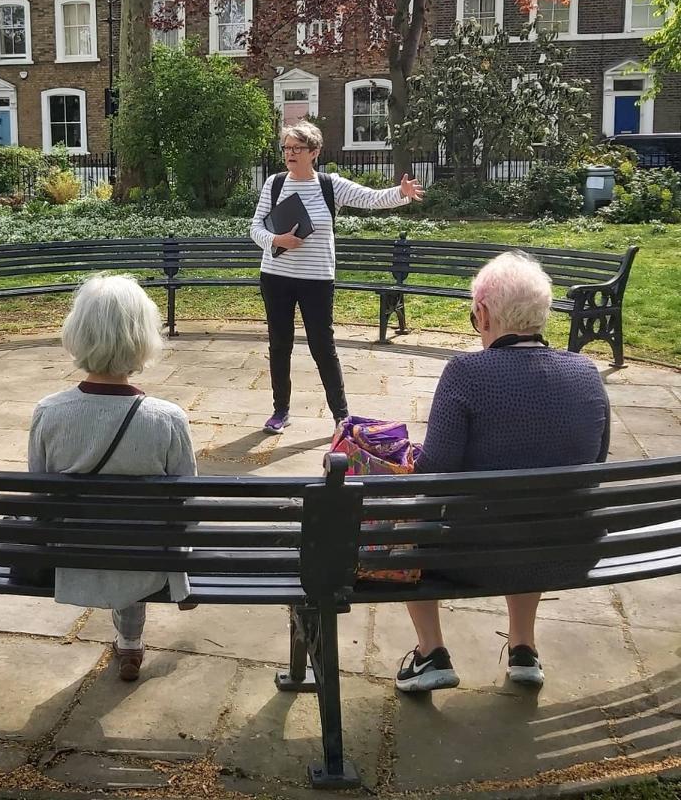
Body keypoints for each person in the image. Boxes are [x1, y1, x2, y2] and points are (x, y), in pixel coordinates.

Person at [394, 251, 611, 694]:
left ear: (484, 313)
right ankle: (523, 649)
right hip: (565, 552)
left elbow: (434, 474)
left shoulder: (466, 373)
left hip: (474, 558)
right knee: (536, 510)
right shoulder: (586, 373)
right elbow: (596, 461)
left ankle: (431, 652)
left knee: (405, 523)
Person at [28, 275, 198, 682]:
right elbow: (187, 503)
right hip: (147, 561)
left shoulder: (49, 413)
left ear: (77, 333)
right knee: (141, 533)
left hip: (75, 556)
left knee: (115, 532)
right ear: (143, 338)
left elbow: (39, 494)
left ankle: (129, 641)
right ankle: (131, 641)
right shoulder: (167, 418)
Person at [250, 121, 423, 434]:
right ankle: (280, 411)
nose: (290, 153)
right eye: (286, 148)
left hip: (316, 280)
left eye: (297, 148)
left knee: (322, 346)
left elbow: (370, 198)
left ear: (314, 151)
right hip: (276, 277)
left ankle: (340, 415)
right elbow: (255, 228)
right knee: (279, 345)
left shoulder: (330, 185)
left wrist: (401, 193)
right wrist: (277, 240)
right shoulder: (274, 184)